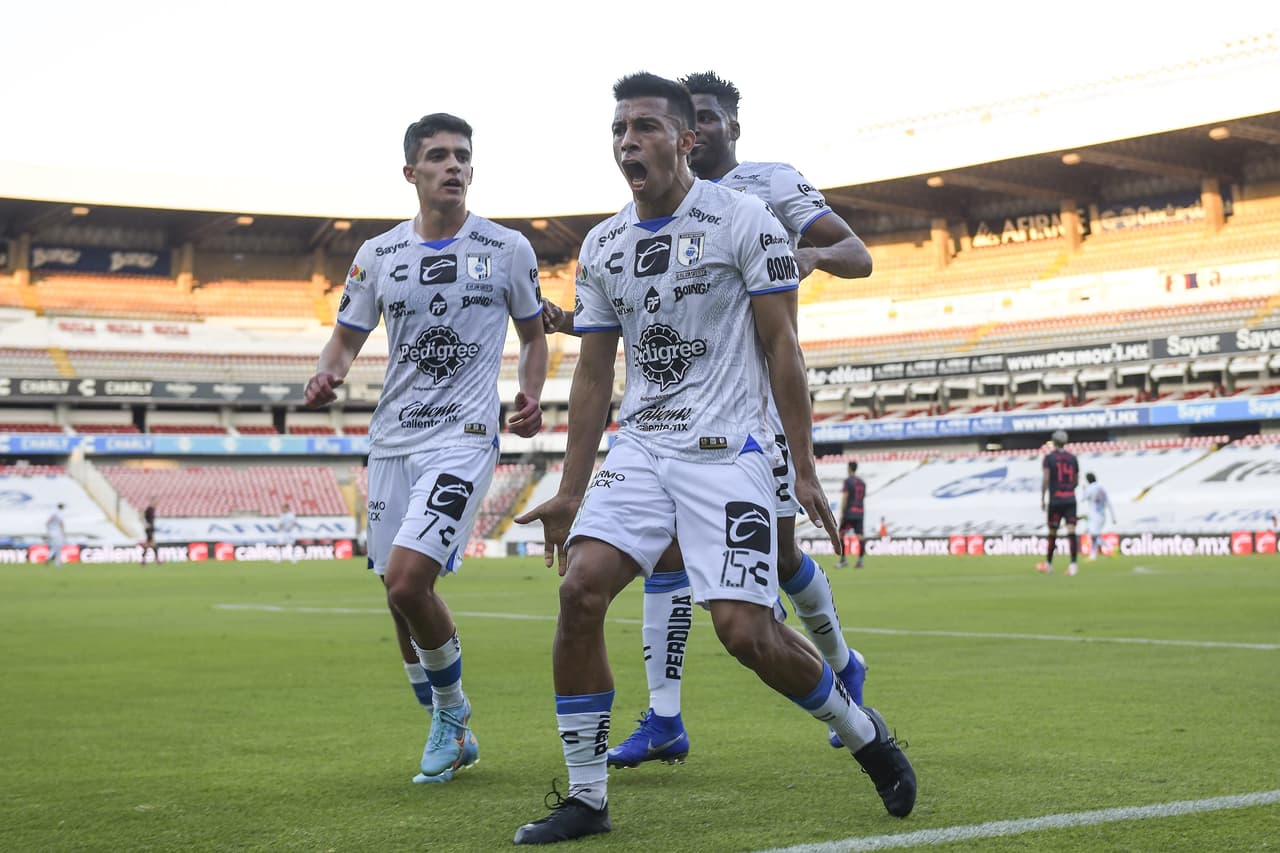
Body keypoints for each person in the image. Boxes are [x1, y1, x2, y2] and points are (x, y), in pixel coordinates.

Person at [512, 72, 914, 845]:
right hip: (642, 447)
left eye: (647, 128)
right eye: (620, 130)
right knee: (579, 593)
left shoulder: (745, 218)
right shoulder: (602, 245)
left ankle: (865, 734)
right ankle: (588, 798)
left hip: (728, 449)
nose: (630, 142)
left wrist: (801, 465)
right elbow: (596, 372)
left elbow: (781, 347)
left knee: (745, 633)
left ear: (686, 139)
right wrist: (568, 489)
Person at [304, 112, 547, 785]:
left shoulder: (506, 248)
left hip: (464, 435)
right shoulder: (377, 256)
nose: (453, 166)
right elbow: (346, 338)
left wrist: (529, 394)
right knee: (396, 595)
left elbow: (532, 336)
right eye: (438, 156)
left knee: (413, 579)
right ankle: (449, 719)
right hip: (392, 440)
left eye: (462, 156)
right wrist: (330, 371)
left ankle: (451, 710)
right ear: (411, 172)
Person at [1037, 430, 1080, 576]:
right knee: (1072, 531)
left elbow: (1046, 479)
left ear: (1053, 442)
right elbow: (1076, 481)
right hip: (1070, 499)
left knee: (1052, 532)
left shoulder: (1049, 458)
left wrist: (1043, 498)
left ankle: (1048, 564)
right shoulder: (1073, 458)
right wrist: (1068, 489)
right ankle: (1073, 566)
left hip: (1055, 499)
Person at [837, 461, 867, 569]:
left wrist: (842, 512)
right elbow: (862, 497)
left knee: (840, 534)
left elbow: (845, 497)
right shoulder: (862, 483)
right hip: (860, 512)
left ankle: (843, 560)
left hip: (849, 512)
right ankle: (860, 561)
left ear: (849, 468)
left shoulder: (847, 481)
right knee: (860, 536)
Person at [1081, 472, 1116, 560]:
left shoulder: (1090, 488)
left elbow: (1083, 498)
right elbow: (1108, 502)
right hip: (1102, 515)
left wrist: (1084, 489)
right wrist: (1113, 517)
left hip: (1095, 515)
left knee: (1093, 535)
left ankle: (1110, 547)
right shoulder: (1101, 487)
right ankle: (1093, 555)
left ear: (1088, 480)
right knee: (1093, 535)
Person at [46, 502, 66, 568]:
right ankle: (57, 563)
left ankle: (49, 558)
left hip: (51, 532)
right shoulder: (60, 513)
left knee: (54, 547)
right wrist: (63, 532)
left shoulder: (53, 513)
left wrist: (49, 530)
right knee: (58, 548)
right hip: (58, 533)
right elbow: (61, 523)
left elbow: (47, 522)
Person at [141, 497, 160, 565]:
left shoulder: (152, 509)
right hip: (149, 529)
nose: (156, 503)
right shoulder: (149, 509)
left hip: (150, 528)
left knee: (148, 544)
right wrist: (147, 524)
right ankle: (156, 559)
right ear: (152, 501)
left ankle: (144, 560)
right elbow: (143, 517)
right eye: (155, 502)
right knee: (152, 544)